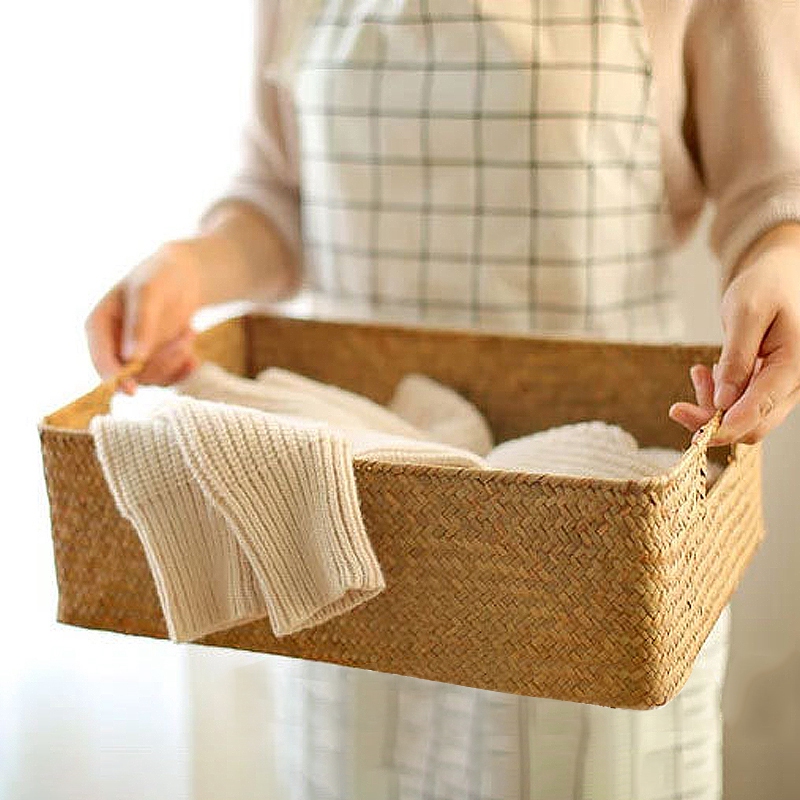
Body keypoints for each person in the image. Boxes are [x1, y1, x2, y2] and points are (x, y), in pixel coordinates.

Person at [85, 1, 800, 797]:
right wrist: (190, 269)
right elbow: (280, 202)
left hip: (595, 540)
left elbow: (775, 193)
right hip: (348, 530)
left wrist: (782, 265)